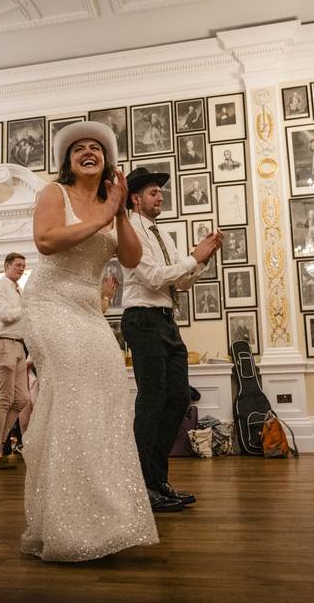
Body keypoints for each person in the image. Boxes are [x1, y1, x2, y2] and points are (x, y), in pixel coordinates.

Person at [21, 120, 157, 561]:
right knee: (74, 392)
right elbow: (45, 241)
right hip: (48, 302)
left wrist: (118, 211)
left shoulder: (110, 205)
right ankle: (66, 523)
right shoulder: (52, 194)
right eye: (78, 148)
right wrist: (101, 214)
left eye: (96, 148)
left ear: (108, 162)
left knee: (111, 393)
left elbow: (132, 259)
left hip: (88, 309)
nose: (88, 151)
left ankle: (107, 514)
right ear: (68, 160)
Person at [121, 166, 222, 513]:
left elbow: (179, 282)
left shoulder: (162, 234)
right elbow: (151, 278)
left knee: (178, 399)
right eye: (152, 191)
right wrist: (194, 257)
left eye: (160, 191)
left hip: (165, 320)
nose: (160, 195)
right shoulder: (131, 231)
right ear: (135, 198)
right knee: (152, 400)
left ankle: (157, 480)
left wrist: (201, 261)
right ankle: (144, 485)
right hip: (142, 319)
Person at [0, 253, 29, 469]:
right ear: (7, 266)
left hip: (18, 345)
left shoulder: (18, 290)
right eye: (18, 265)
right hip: (1, 343)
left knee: (21, 399)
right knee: (4, 399)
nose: (21, 268)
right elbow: (4, 315)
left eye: (23, 265)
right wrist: (29, 309)